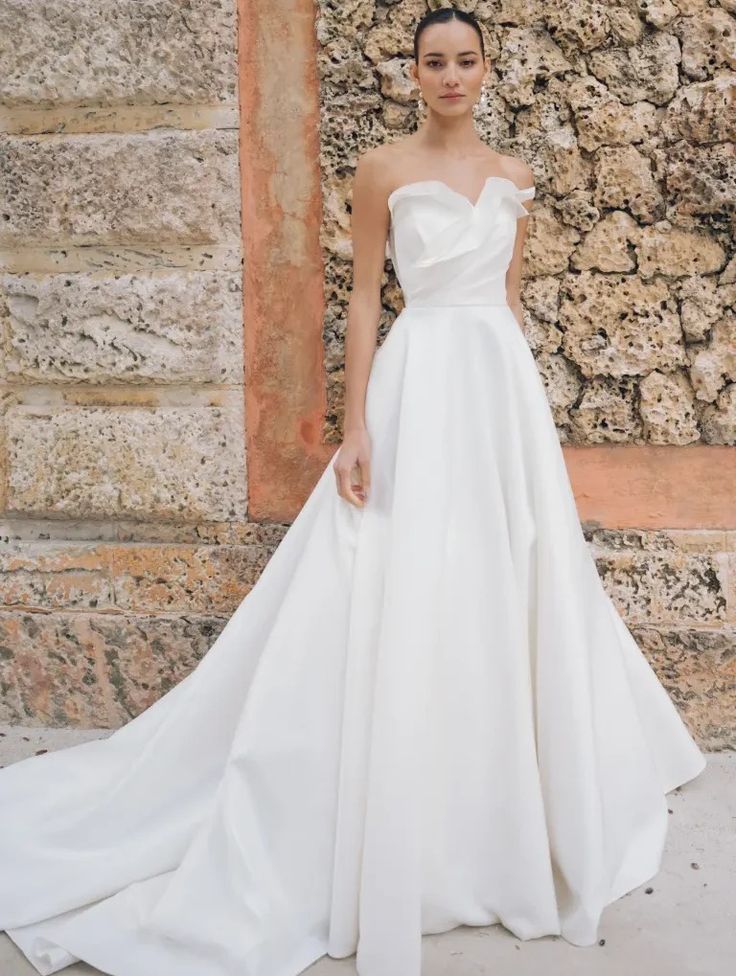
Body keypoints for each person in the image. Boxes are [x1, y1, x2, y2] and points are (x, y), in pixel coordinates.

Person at [0, 7, 707, 976]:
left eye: (464, 60)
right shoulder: (380, 171)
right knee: (401, 572)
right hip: (417, 383)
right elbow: (368, 298)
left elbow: (505, 302)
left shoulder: (513, 177)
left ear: (486, 70)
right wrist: (355, 424)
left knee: (508, 574)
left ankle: (506, 803)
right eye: (433, 61)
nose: (449, 75)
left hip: (494, 387)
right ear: (412, 72)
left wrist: (523, 416)